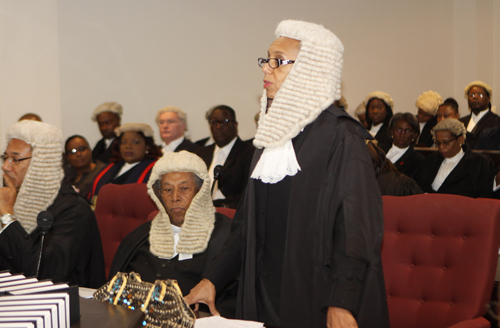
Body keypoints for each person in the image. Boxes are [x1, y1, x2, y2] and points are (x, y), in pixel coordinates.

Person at [186, 20, 389, 328]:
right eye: (266, 60)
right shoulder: (271, 135)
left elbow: (356, 229)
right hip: (265, 294)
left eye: (278, 61)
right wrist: (212, 279)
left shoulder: (342, 136)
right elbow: (245, 226)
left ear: (311, 70)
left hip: (320, 297)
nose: (266, 69)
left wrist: (341, 302)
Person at [109, 151, 237, 317]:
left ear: (200, 191)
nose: (175, 197)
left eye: (184, 189)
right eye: (167, 190)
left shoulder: (228, 237)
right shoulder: (140, 235)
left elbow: (232, 300)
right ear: (159, 195)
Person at [0, 120, 105, 288]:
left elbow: (44, 275)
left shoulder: (74, 210)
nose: (5, 166)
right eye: (5, 157)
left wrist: (7, 216)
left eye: (16, 159)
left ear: (40, 165)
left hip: (67, 308)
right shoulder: (14, 199)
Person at [413, 118, 496, 198]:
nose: (441, 147)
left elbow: (484, 193)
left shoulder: (479, 163)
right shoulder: (430, 161)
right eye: (438, 143)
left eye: (446, 142)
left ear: (460, 140)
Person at [195, 105, 255, 209]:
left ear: (235, 125)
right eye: (214, 122)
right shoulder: (201, 153)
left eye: (225, 121)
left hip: (232, 213)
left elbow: (248, 193)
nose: (219, 126)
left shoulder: (248, 153)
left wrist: (219, 206)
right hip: (201, 212)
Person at [89, 123, 161, 202]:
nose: (128, 146)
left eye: (136, 142)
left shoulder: (155, 170)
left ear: (147, 146)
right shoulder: (110, 167)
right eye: (124, 142)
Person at [460, 81, 500, 149]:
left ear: (488, 99)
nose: (475, 97)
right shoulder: (461, 122)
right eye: (471, 95)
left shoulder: (496, 121)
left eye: (480, 95)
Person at [385, 112, 424, 178]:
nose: (402, 135)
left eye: (407, 131)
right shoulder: (380, 150)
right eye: (399, 129)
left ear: (414, 135)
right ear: (392, 131)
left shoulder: (418, 161)